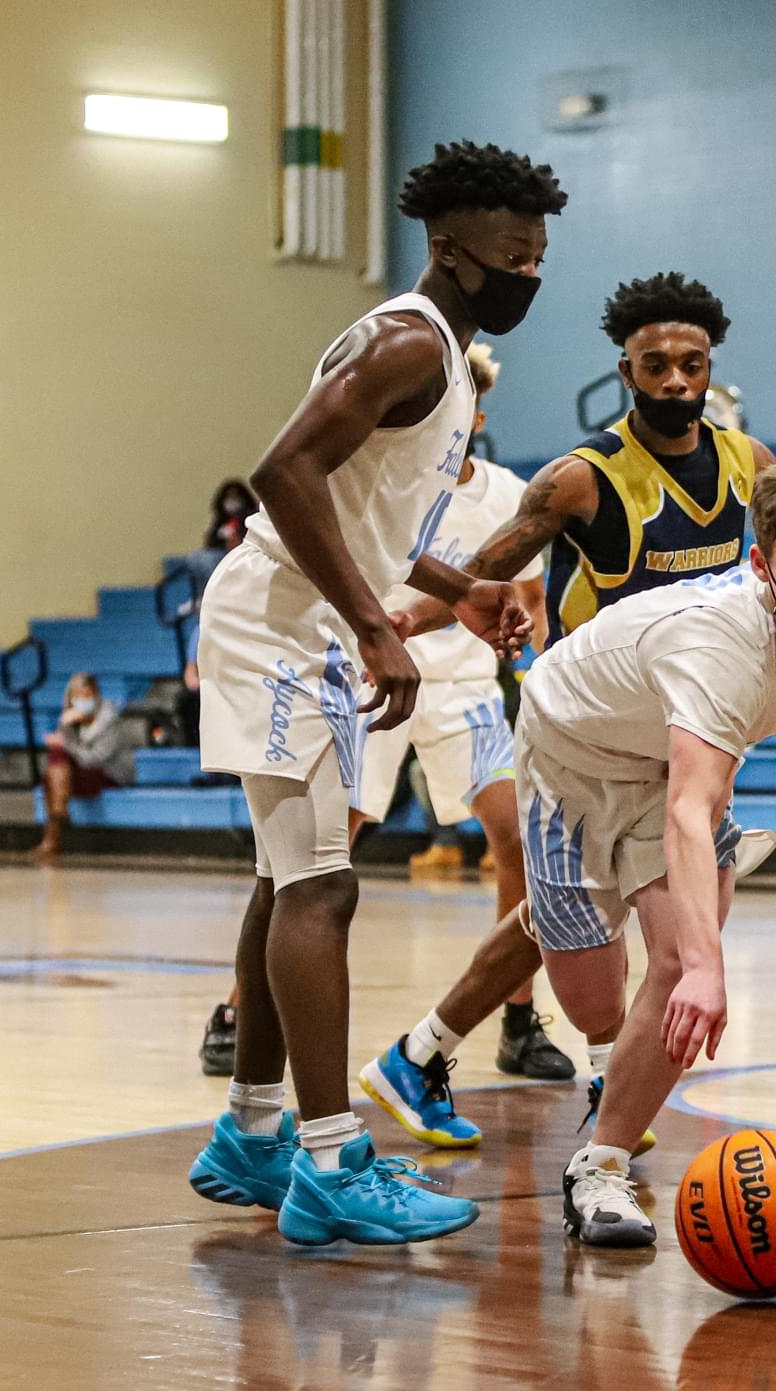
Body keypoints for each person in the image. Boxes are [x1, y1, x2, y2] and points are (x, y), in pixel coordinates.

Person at [362, 272, 776, 1153]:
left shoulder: (747, 461)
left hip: (687, 723)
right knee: (584, 918)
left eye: (692, 363)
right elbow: (488, 565)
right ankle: (529, 1067)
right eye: (656, 364)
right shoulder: (581, 479)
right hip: (590, 726)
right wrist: (408, 617)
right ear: (625, 370)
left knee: (613, 915)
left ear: (711, 368)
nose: (675, 379)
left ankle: (468, 1063)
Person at [183, 141, 553, 1247]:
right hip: (286, 622)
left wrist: (464, 588)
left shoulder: (437, 347)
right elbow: (283, 471)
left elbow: (367, 515)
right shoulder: (407, 342)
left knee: (282, 878)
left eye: (538, 253)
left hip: (305, 615)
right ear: (449, 249)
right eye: (511, 254)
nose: (529, 273)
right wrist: (369, 624)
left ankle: (252, 1133)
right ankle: (336, 1158)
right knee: (321, 890)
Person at [538, 452, 776, 1244]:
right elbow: (692, 806)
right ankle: (555, 933)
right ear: (760, 566)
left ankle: (598, 1170)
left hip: (669, 758)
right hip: (569, 749)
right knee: (595, 1004)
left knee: (673, 961)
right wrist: (712, 969)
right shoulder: (719, 649)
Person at [198, 342, 561, 1083]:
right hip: (368, 673)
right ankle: (240, 1012)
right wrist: (392, 624)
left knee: (519, 837)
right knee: (316, 859)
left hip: (462, 688)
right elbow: (329, 520)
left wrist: (514, 639)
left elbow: (529, 602)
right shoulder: (384, 469)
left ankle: (518, 1017)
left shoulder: (504, 490)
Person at [30, 673, 135, 861]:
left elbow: (96, 759)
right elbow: (63, 756)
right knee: (55, 760)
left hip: (110, 774)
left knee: (55, 770)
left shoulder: (109, 719)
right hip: (76, 774)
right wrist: (64, 726)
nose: (82, 701)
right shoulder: (70, 719)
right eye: (77, 697)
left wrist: (66, 744)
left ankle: (53, 833)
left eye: (87, 696)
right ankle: (59, 812)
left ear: (96, 695)